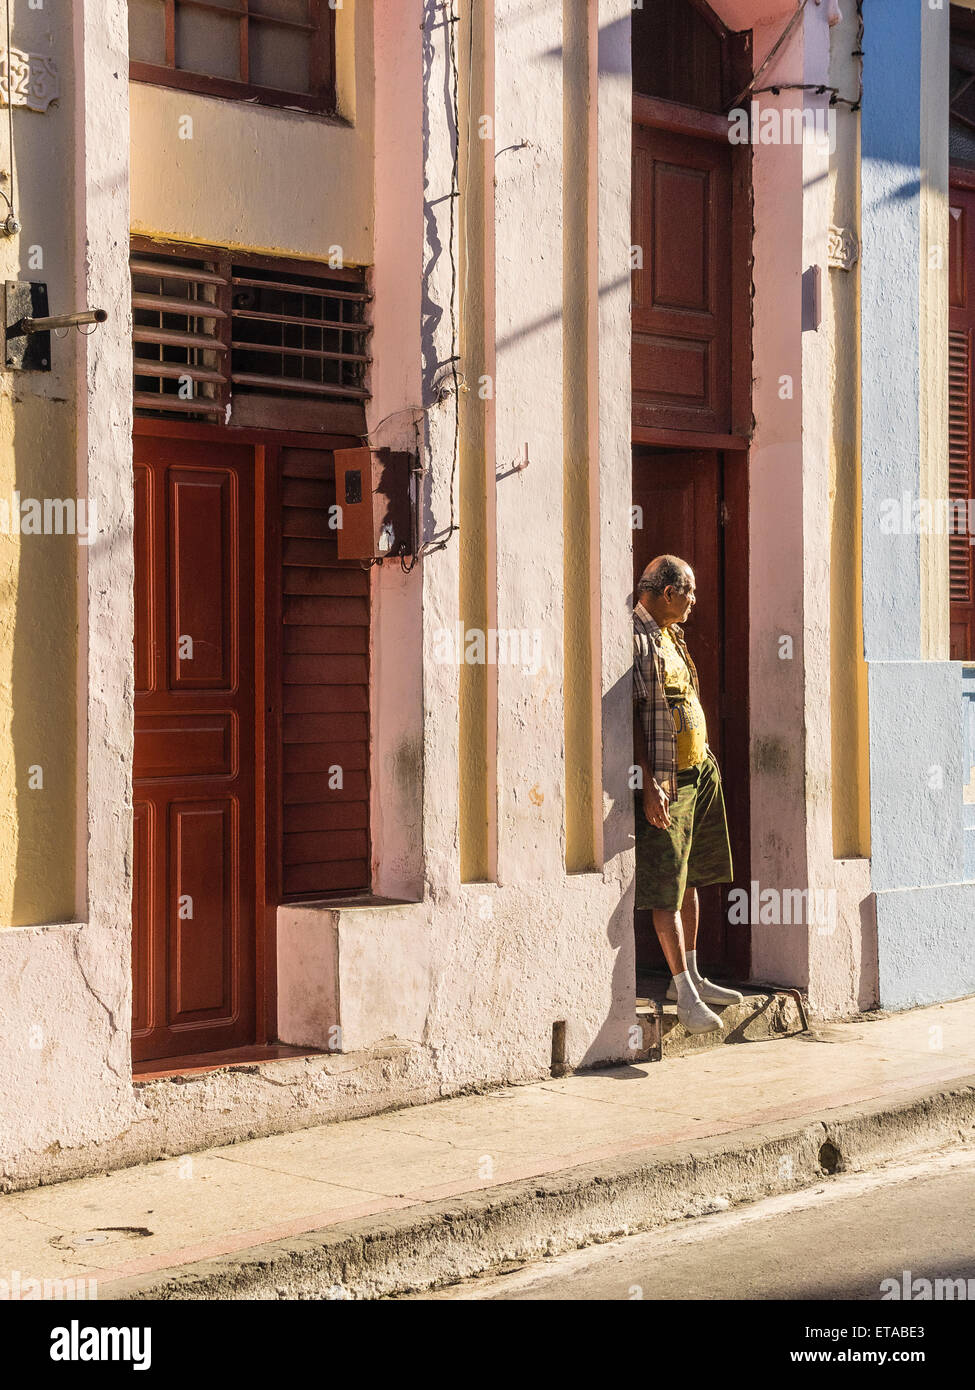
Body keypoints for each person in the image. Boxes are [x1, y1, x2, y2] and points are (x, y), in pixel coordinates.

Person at [632, 554, 741, 1035]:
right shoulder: (636, 636)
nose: (695, 600)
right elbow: (630, 715)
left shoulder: (671, 634)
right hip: (666, 778)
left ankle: (690, 978)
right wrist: (648, 781)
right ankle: (683, 988)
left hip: (698, 771)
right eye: (690, 591)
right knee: (667, 885)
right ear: (667, 591)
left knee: (692, 875)